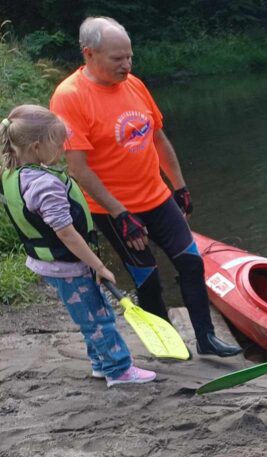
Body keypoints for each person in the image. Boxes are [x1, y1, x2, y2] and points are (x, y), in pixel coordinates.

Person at [49, 16, 240, 357]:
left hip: (156, 196)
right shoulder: (70, 97)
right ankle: (166, 346)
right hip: (113, 209)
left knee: (192, 263)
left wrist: (179, 186)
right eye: (117, 59)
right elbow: (78, 167)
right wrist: (120, 213)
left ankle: (206, 339)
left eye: (129, 56)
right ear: (89, 54)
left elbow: (158, 137)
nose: (127, 65)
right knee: (147, 277)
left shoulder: (134, 85)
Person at [0, 106, 155, 387]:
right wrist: (99, 266)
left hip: (49, 262)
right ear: (37, 146)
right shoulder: (44, 186)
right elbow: (66, 233)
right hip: (67, 264)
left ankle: (100, 363)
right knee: (99, 317)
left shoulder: (11, 173)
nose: (63, 149)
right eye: (58, 144)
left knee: (87, 314)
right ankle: (118, 370)